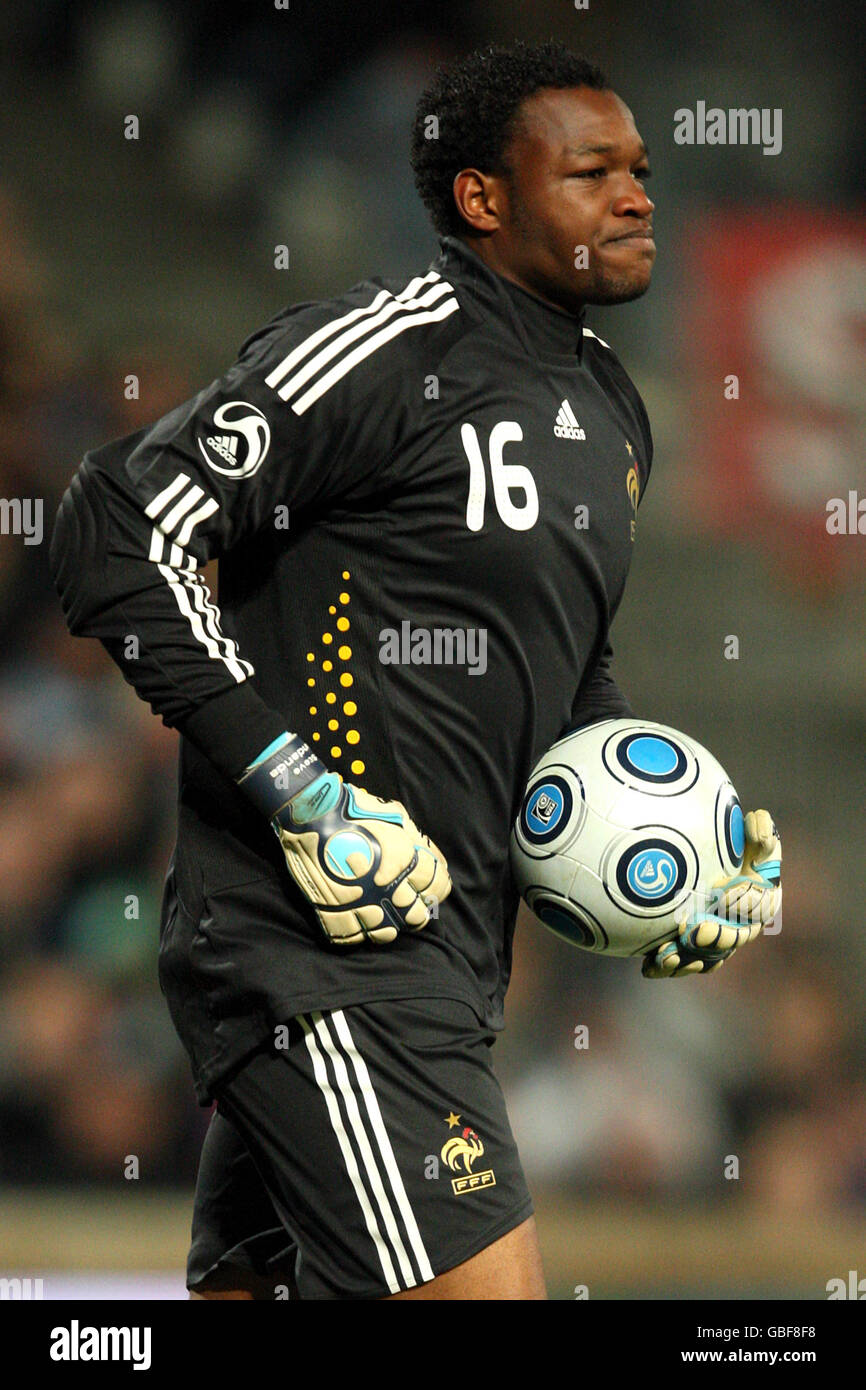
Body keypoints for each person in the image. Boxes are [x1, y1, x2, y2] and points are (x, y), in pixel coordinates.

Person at [50, 39, 781, 1300]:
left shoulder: (613, 409)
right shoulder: (384, 350)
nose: (636, 194)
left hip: (440, 966)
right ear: (483, 199)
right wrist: (298, 788)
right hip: (317, 953)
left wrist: (664, 850)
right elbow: (120, 525)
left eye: (642, 168)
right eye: (591, 169)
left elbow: (563, 678)